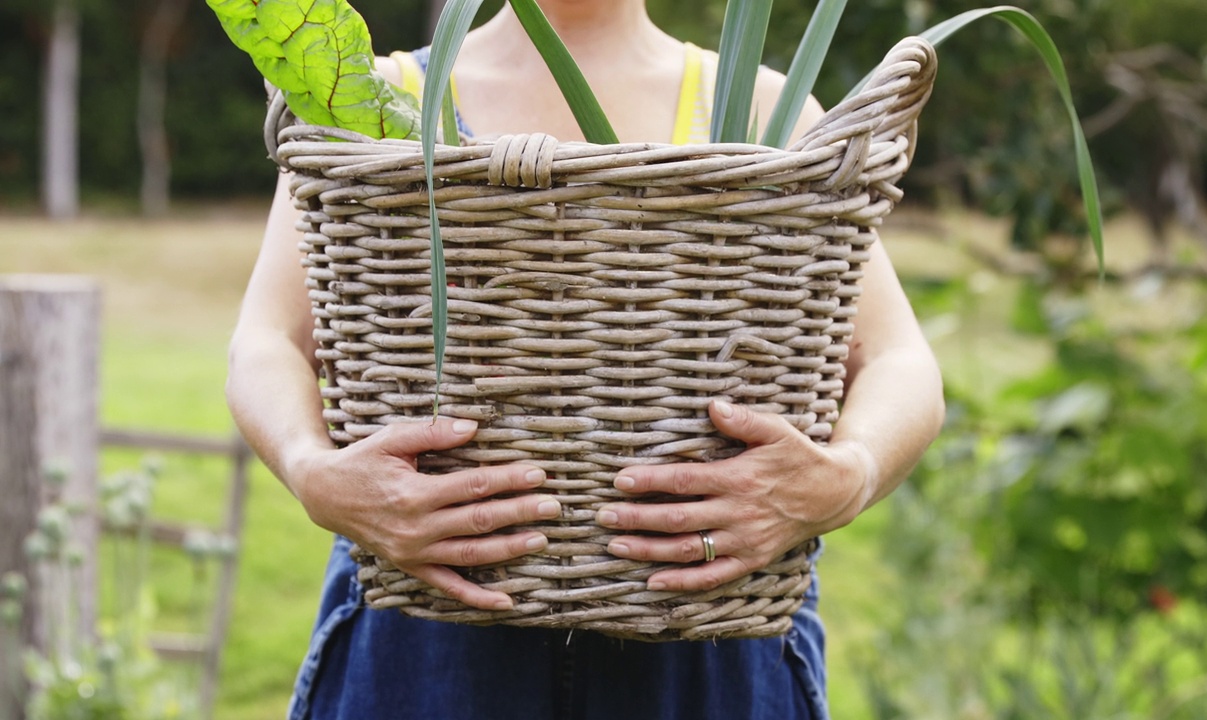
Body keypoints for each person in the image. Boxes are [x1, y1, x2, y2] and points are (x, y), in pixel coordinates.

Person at [226, 1, 945, 718]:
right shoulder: (372, 99)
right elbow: (268, 340)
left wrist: (846, 478)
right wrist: (311, 471)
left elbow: (896, 359)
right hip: (423, 638)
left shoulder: (760, 107)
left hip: (705, 638)